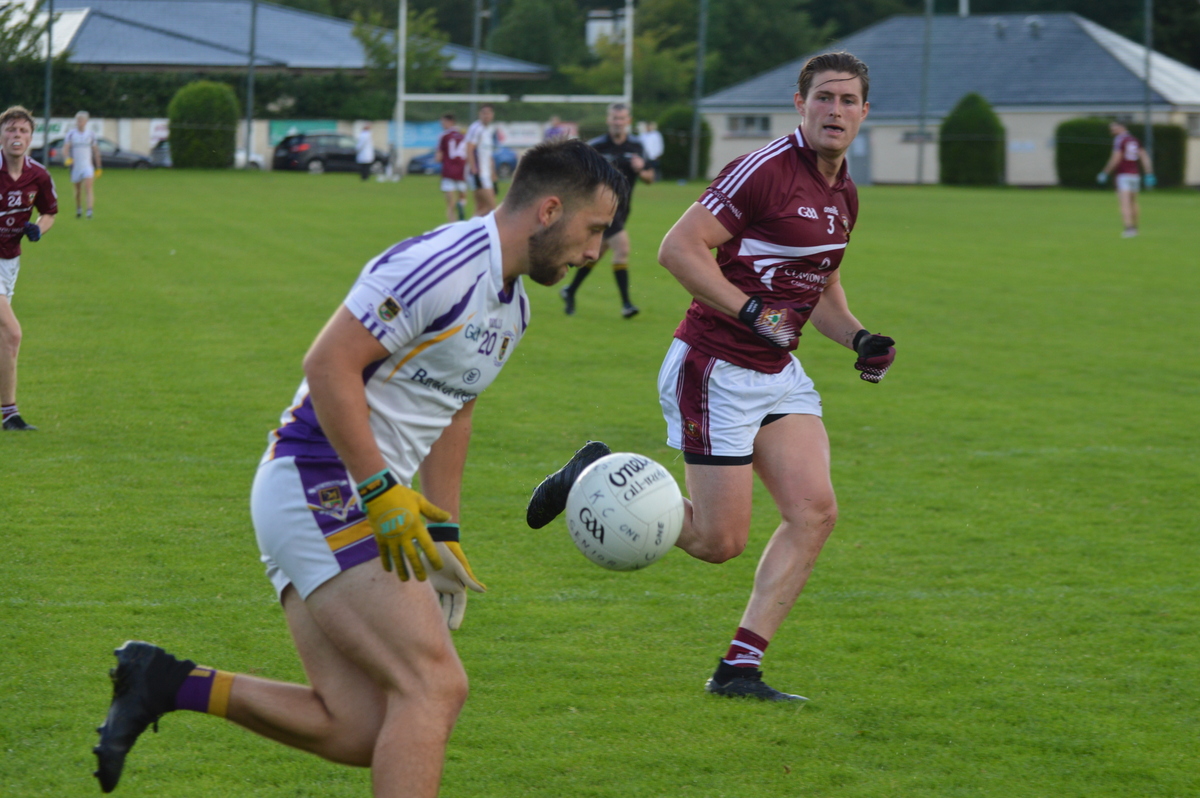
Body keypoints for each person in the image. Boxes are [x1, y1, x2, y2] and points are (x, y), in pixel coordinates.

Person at [91, 139, 628, 797]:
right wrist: (379, 491)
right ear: (550, 209)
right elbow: (327, 363)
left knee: (359, 727)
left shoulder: (512, 307)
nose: (594, 252)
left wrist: (445, 534)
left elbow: (454, 411)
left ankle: (167, 682)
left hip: (346, 494)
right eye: (593, 229)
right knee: (435, 684)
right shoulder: (443, 266)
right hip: (319, 479)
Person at [528, 52, 896, 702]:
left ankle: (738, 670)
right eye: (824, 98)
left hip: (779, 372)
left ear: (866, 112)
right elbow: (677, 247)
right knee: (717, 541)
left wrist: (860, 339)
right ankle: (590, 476)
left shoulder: (845, 192)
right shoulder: (765, 171)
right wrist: (751, 309)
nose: (835, 111)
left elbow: (822, 285)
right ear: (800, 103)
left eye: (847, 100)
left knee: (814, 512)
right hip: (716, 367)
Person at [559, 103, 655, 319]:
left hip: (623, 210)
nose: (618, 122)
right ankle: (627, 305)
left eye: (622, 118)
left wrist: (641, 170)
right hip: (602, 209)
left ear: (628, 120)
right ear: (608, 120)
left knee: (597, 253)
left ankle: (570, 291)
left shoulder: (637, 146)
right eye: (614, 118)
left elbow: (650, 178)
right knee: (622, 247)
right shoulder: (596, 146)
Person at [0, 106, 57, 433]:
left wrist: (38, 228)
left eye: (22, 131)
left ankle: (9, 415)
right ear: (1, 136)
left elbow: (49, 212)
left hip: (10, 261)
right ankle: (10, 412)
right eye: (10, 130)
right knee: (13, 332)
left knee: (5, 340)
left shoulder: (39, 175)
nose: (16, 136)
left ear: (31, 138)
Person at [1097, 121, 1155, 238]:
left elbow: (1116, 158)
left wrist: (1105, 172)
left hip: (1123, 175)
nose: (1112, 131)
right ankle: (1135, 228)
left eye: (1114, 128)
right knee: (1134, 202)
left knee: (1124, 203)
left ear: (1121, 127)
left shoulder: (1120, 140)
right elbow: (1144, 156)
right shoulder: (1134, 140)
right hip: (1135, 175)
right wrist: (1149, 173)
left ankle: (1129, 229)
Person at [63, 110, 100, 219]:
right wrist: (67, 158)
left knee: (88, 188)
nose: (79, 122)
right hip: (76, 167)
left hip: (87, 167)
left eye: (82, 120)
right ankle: (79, 208)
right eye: (78, 120)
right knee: (78, 191)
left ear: (86, 121)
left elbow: (96, 151)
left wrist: (99, 166)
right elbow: (65, 149)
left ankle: (89, 211)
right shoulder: (71, 134)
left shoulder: (91, 135)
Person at [465, 104, 499, 216]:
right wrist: (475, 171)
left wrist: (493, 174)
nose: (486, 116)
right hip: (479, 174)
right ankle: (468, 228)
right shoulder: (476, 128)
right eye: (484, 113)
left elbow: (488, 154)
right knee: (492, 208)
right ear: (479, 114)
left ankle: (470, 229)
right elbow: (469, 149)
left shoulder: (489, 130)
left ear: (492, 115)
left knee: (481, 207)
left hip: (486, 173)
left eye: (489, 113)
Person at [435, 112, 468, 222]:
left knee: (450, 204)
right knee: (462, 196)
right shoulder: (463, 134)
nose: (442, 124)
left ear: (450, 122)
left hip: (448, 170)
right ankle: (461, 205)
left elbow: (438, 157)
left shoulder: (444, 136)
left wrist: (437, 159)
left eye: (443, 122)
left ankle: (452, 224)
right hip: (461, 171)